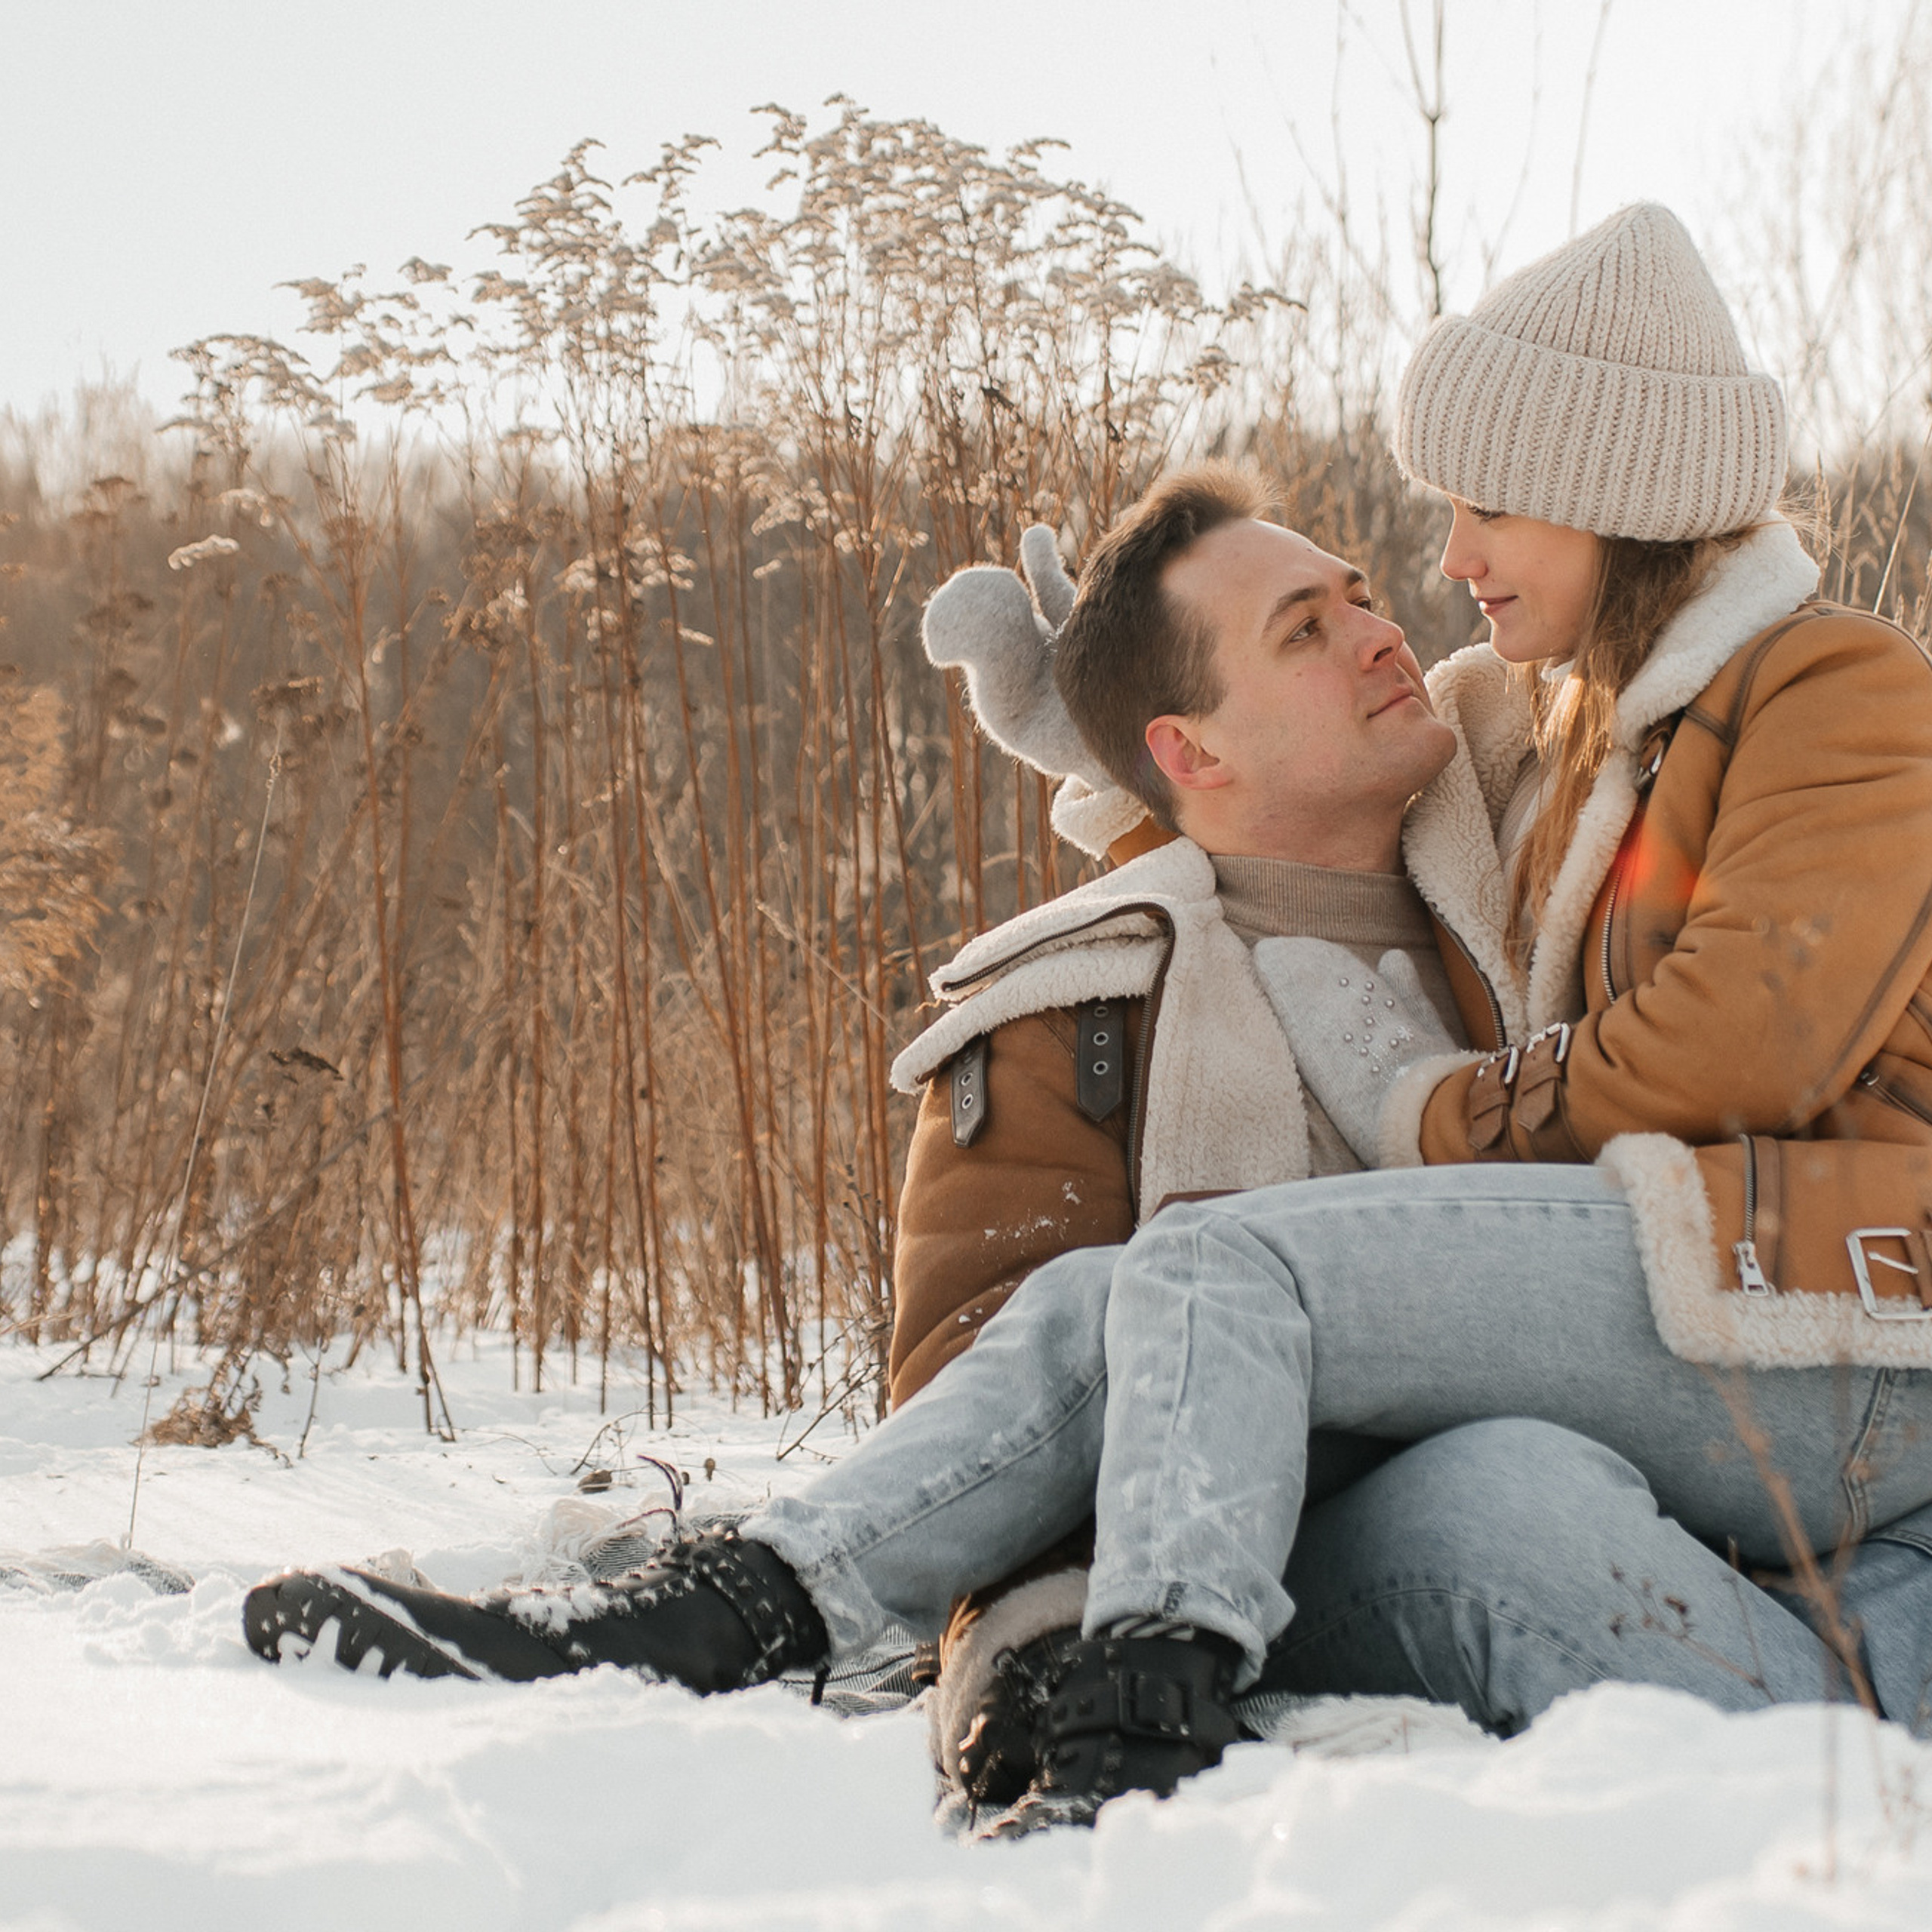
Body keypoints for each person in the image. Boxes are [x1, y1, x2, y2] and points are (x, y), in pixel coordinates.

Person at [242, 214, 1932, 1824]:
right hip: (1714, 1352)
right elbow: (1263, 807)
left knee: (1219, 1261)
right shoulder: (1582, 741)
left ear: (1605, 495)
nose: (1433, 577)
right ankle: (734, 1601)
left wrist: (1421, 1099)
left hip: (1839, 1303)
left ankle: (1145, 1688)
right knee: (1320, 1409)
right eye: (1339, 597)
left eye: (1481, 507)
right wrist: (1134, 756)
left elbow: (1730, 1050)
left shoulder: (1829, 687)